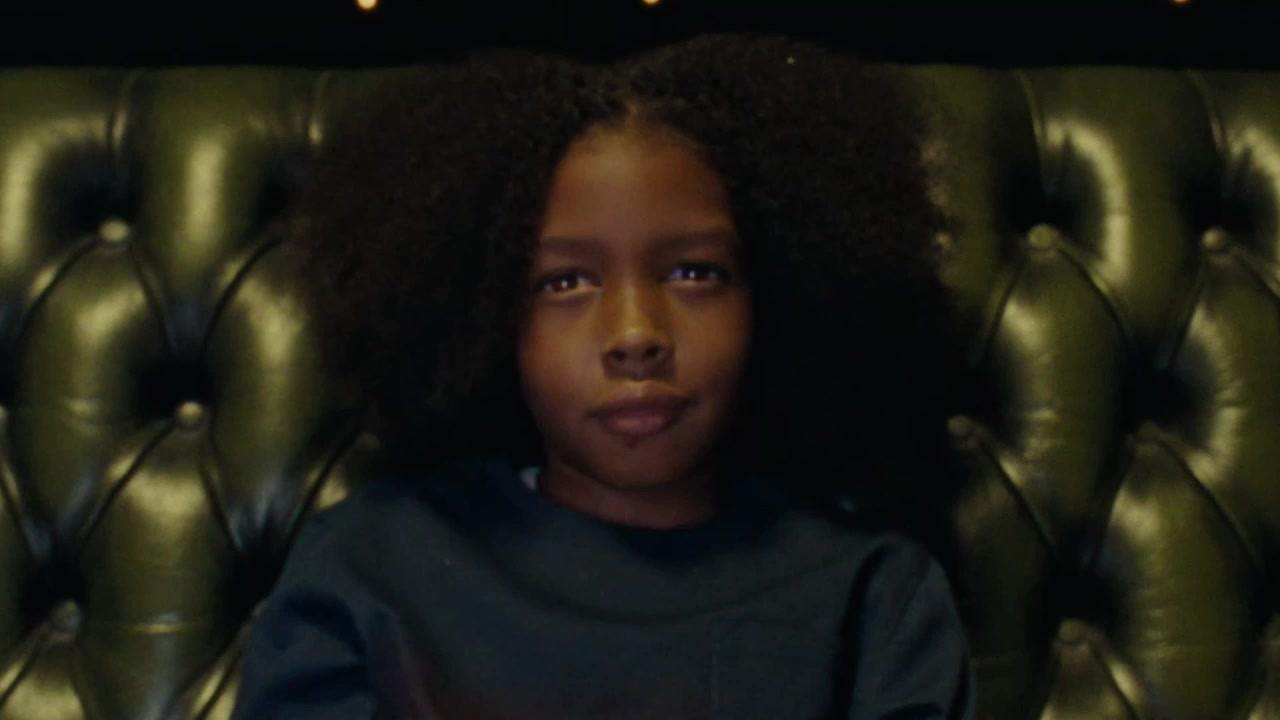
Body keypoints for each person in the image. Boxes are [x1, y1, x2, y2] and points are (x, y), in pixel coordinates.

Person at [230, 33, 974, 720]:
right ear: (486, 315)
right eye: (565, 283)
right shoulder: (374, 566)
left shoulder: (872, 595)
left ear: (777, 294)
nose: (636, 335)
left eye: (694, 273)